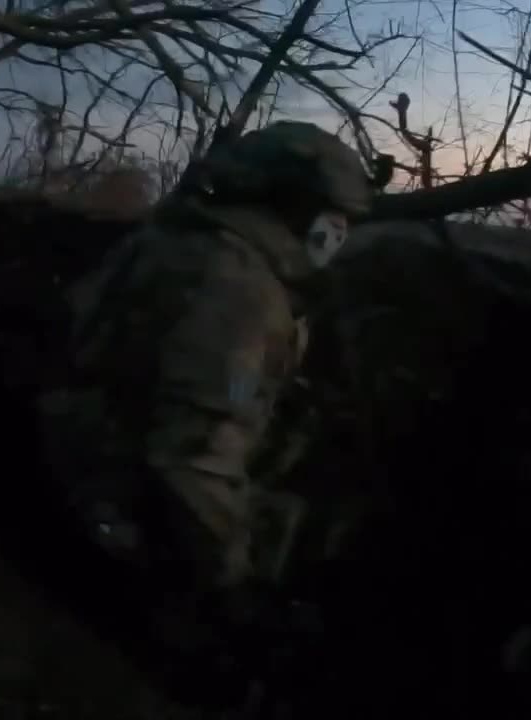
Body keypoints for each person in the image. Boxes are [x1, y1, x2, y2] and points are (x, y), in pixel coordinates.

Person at [37, 120, 379, 611]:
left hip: (85, 456)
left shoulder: (187, 240)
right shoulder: (239, 292)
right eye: (336, 218)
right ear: (303, 213)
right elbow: (192, 463)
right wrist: (237, 584)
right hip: (118, 513)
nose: (338, 235)